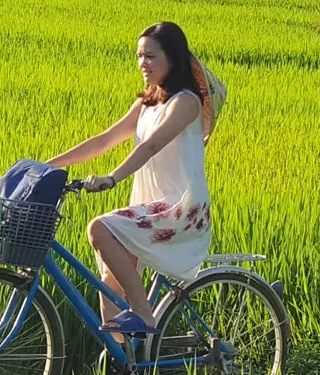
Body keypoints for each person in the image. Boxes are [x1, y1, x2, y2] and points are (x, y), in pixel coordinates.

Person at [47, 21, 225, 340]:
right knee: (108, 283)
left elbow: (151, 145)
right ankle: (125, 367)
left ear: (173, 58)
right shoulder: (148, 102)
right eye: (140, 56)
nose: (143, 63)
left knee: (98, 228)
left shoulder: (186, 102)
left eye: (151, 56)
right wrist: (45, 165)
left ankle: (144, 314)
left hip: (179, 209)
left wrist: (112, 178)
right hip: (149, 208)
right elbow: (103, 139)